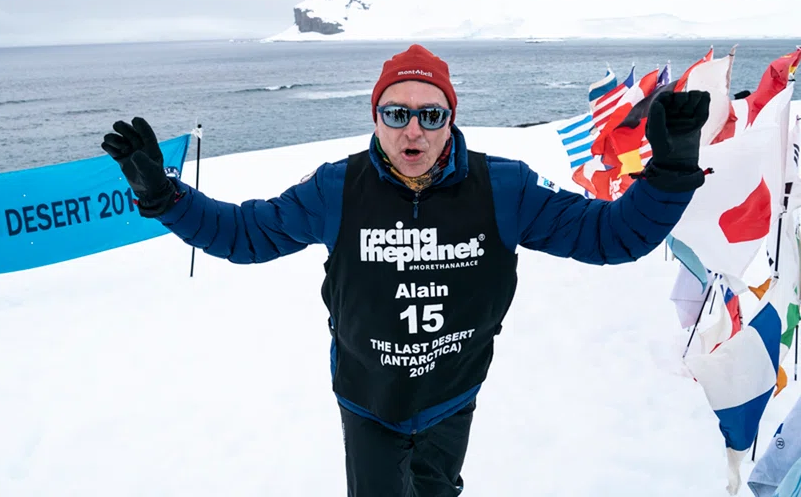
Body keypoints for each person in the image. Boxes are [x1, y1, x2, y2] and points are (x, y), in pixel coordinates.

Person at [101, 44, 711, 496]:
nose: (413, 129)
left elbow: (610, 237)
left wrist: (671, 171)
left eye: (430, 115)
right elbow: (245, 234)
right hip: (368, 399)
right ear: (375, 118)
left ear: (451, 119)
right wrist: (165, 197)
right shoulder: (337, 189)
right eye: (396, 114)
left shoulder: (504, 188)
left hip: (451, 395)